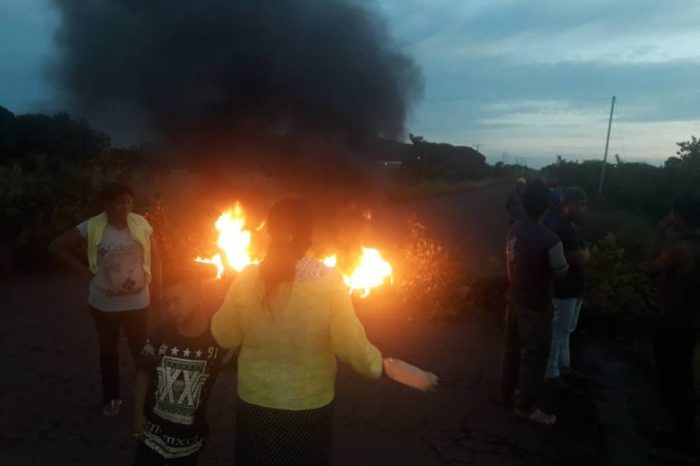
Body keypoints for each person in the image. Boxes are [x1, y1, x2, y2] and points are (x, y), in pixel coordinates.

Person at [211, 198, 436, 465]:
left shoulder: (246, 278)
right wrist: (383, 366)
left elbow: (225, 335)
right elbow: (349, 343)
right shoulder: (329, 281)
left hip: (255, 404)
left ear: (268, 232)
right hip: (309, 408)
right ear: (310, 235)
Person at [49, 182, 161, 416]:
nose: (126, 207)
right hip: (104, 304)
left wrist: (157, 291)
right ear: (106, 205)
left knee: (142, 351)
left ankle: (148, 399)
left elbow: (156, 258)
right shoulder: (93, 226)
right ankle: (112, 399)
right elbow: (57, 246)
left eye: (129, 201)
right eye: (119, 202)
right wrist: (85, 273)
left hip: (137, 302)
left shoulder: (141, 224)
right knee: (108, 351)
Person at [133, 262, 230, 465]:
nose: (170, 309)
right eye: (167, 303)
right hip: (152, 435)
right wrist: (138, 416)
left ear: (197, 293)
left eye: (176, 301)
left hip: (190, 440)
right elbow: (143, 372)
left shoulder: (218, 338)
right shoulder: (161, 333)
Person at [502, 180, 569, 425]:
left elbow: (510, 259)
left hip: (514, 299)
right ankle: (526, 406)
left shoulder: (515, 228)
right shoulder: (551, 239)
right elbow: (561, 271)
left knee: (511, 350)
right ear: (547, 207)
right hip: (537, 304)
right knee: (535, 355)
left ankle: (506, 394)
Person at [646, 194, 700, 463]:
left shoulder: (681, 249)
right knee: (681, 379)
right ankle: (681, 435)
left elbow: (650, 267)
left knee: (674, 380)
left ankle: (684, 446)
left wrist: (659, 231)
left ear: (679, 217)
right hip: (690, 322)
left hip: (673, 322)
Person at [545, 187, 589, 388]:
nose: (582, 208)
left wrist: (583, 256)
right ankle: (551, 372)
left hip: (575, 286)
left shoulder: (575, 228)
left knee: (567, 330)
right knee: (559, 329)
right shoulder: (560, 228)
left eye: (584, 204)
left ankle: (564, 365)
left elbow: (583, 254)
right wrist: (583, 256)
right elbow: (576, 257)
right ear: (565, 206)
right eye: (578, 203)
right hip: (564, 287)